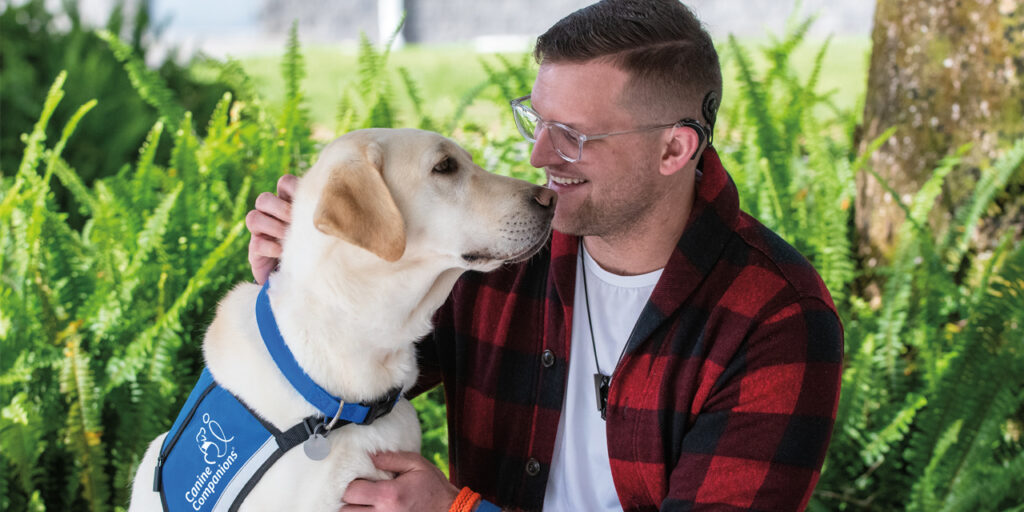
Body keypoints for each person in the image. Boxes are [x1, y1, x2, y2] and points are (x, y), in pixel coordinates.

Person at [245, 1, 843, 510]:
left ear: (673, 149)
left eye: (575, 137)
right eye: (537, 120)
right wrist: (314, 268)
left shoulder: (778, 320)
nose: (538, 156)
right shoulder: (497, 251)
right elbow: (355, 371)